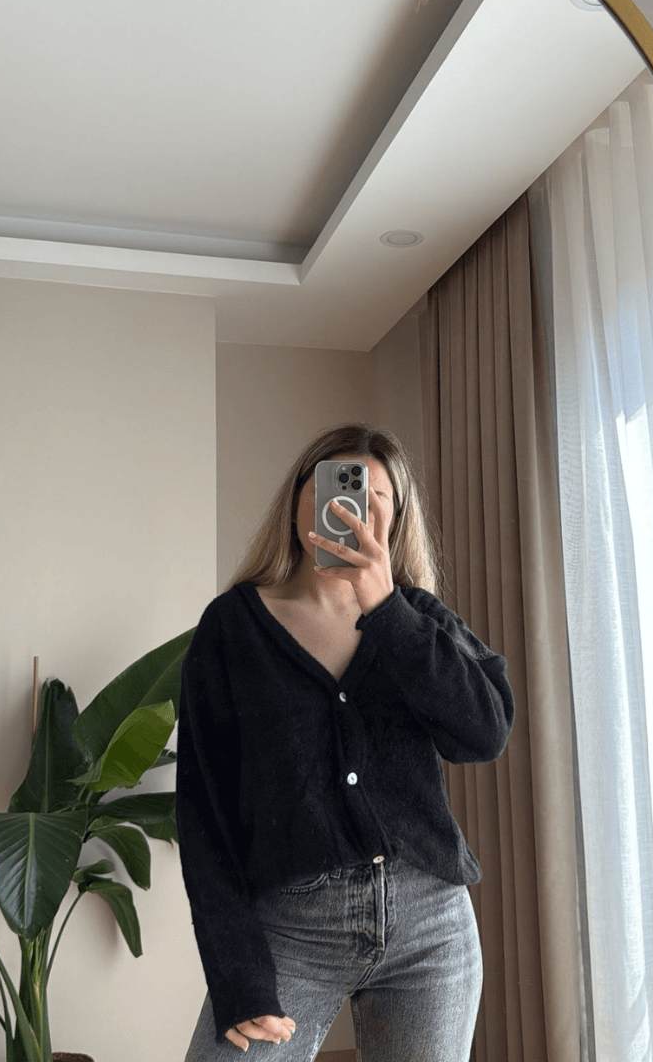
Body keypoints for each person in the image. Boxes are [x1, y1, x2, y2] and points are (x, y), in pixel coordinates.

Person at [177, 423, 514, 1059]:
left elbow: (485, 731)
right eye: (333, 485)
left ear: (394, 521)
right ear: (297, 502)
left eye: (374, 495)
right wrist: (237, 973)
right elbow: (203, 813)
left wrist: (387, 610)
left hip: (431, 926)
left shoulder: (418, 619)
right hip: (291, 929)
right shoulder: (232, 629)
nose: (351, 505)